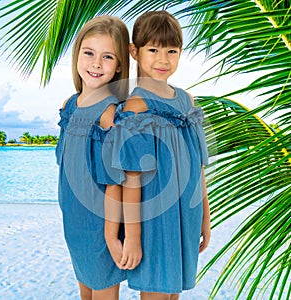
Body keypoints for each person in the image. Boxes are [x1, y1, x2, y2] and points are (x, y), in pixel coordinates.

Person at [107, 10, 211, 300]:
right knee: (155, 292)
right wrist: (134, 238)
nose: (163, 59)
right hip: (154, 218)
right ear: (135, 51)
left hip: (186, 214)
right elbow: (130, 177)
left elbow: (198, 163)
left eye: (172, 50)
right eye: (153, 49)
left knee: (174, 291)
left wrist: (205, 217)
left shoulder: (186, 100)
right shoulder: (136, 106)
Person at [55, 15, 129, 300]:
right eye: (89, 53)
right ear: (77, 55)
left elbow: (115, 182)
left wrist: (112, 237)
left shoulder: (109, 115)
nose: (96, 63)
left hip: (101, 225)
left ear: (120, 64)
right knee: (86, 291)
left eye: (107, 56)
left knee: (103, 294)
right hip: (73, 222)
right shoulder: (68, 106)